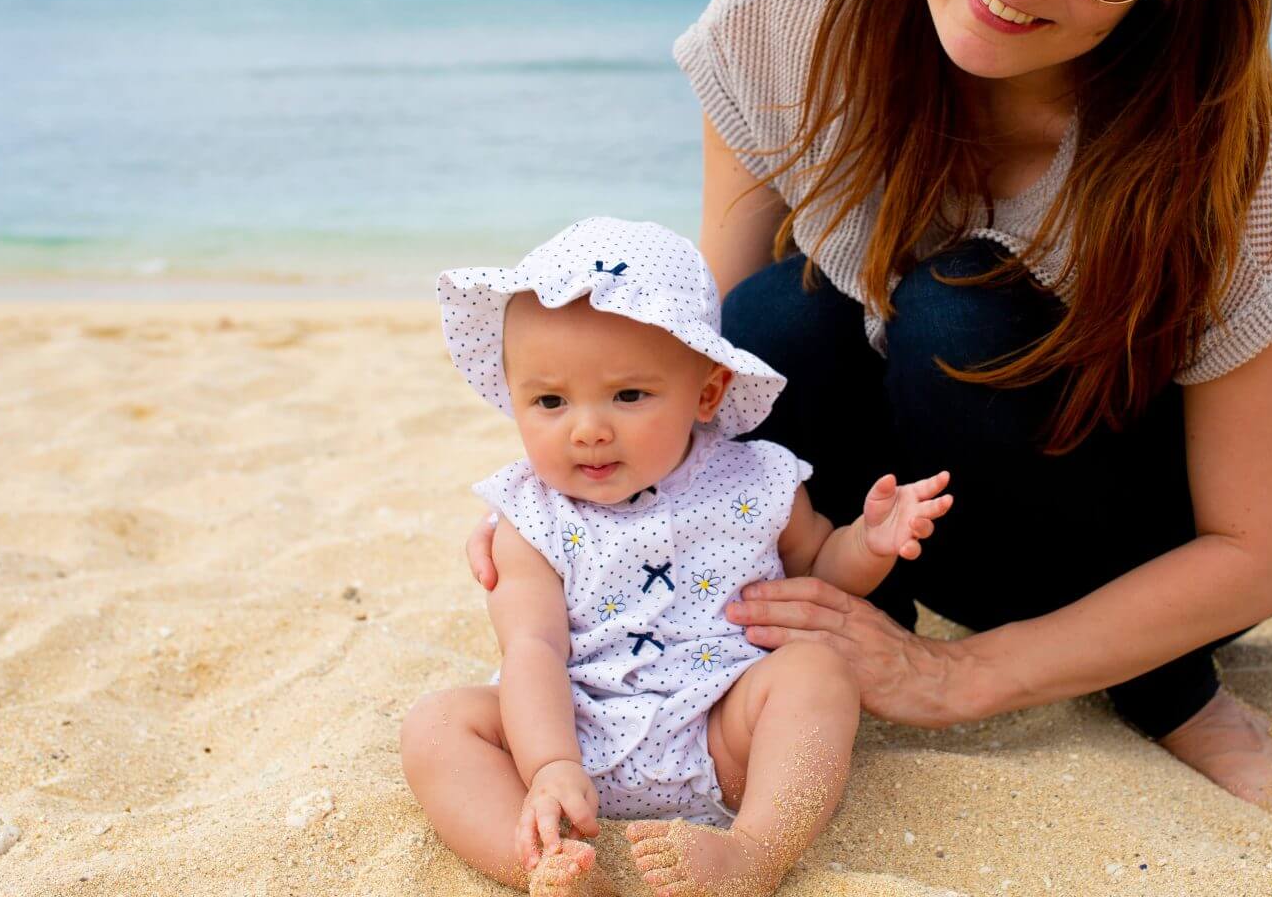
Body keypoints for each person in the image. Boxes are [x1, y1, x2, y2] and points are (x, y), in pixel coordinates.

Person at [471, 0, 1272, 820]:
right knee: (774, 320)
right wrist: (567, 508)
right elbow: (705, 368)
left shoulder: (1216, 144)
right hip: (906, 522)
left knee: (956, 316)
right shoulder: (789, 15)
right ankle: (853, 634)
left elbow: (1262, 546)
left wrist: (963, 677)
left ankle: (1164, 688)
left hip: (1140, 528)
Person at [401, 218, 953, 897]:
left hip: (723, 733)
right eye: (549, 401)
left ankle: (755, 850)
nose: (588, 428)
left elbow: (818, 576)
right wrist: (548, 764)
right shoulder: (530, 519)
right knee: (437, 727)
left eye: (629, 395)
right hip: (571, 731)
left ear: (708, 392)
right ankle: (543, 865)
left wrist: (866, 545)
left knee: (817, 672)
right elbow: (534, 650)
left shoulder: (757, 480)